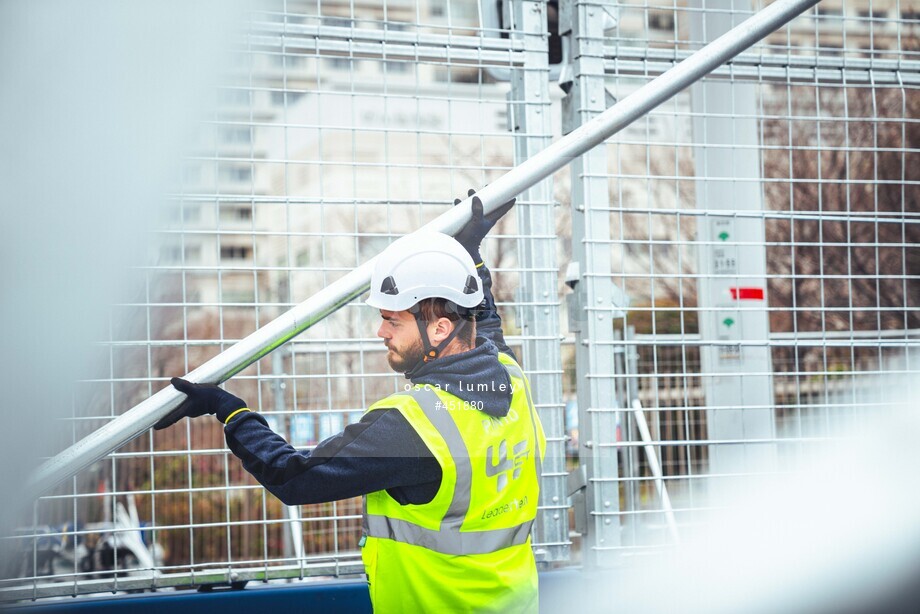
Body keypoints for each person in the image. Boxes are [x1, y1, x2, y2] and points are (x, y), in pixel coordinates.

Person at [155, 193, 546, 613]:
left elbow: (294, 477)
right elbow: (484, 320)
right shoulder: (509, 378)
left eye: (392, 320)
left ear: (440, 330)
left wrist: (229, 410)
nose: (380, 332)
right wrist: (467, 257)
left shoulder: (415, 427)